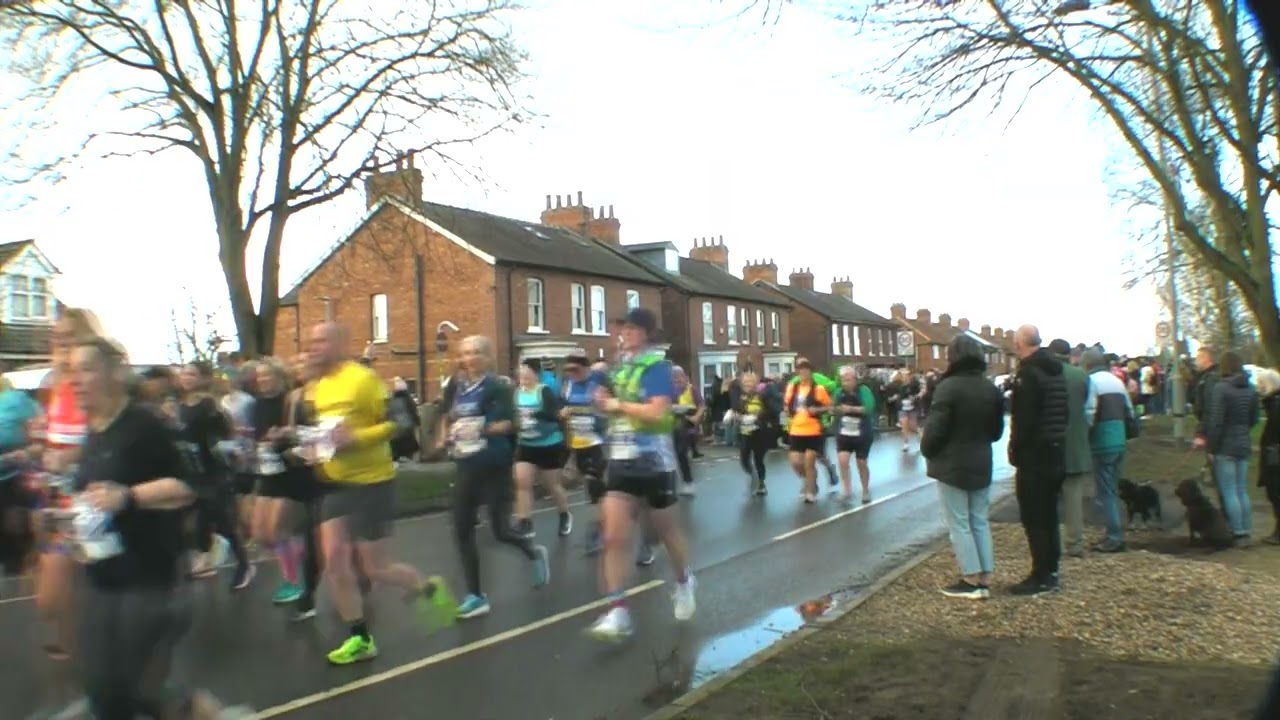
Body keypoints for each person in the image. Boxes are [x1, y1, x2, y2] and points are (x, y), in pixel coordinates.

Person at [71, 337, 247, 719]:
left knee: (135, 690)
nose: (76, 379)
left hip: (151, 580)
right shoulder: (93, 434)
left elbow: (190, 488)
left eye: (85, 368)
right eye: (72, 371)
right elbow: (90, 499)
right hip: (103, 579)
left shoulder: (147, 425)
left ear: (114, 373)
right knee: (107, 688)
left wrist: (128, 496)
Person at [306, 322, 451, 665]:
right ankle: (360, 638)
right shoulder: (319, 387)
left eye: (321, 341)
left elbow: (398, 423)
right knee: (335, 562)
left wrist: (357, 438)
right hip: (337, 484)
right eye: (310, 342)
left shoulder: (364, 380)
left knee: (375, 569)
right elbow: (329, 433)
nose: (313, 348)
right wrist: (314, 447)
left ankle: (426, 587)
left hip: (373, 482)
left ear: (341, 344)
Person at [587, 308, 695, 640]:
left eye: (633, 328)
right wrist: (602, 403)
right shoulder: (620, 368)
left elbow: (656, 411)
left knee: (666, 534)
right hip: (621, 460)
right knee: (613, 537)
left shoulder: (657, 366)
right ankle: (617, 611)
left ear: (646, 333)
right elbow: (613, 409)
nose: (626, 333)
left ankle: (684, 580)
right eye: (623, 328)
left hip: (654, 461)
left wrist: (617, 406)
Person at [445, 337, 550, 619]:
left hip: (495, 462)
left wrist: (480, 429)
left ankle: (532, 551)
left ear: (489, 357)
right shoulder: (457, 386)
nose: (470, 358)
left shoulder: (498, 387)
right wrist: (448, 435)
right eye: (465, 353)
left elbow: (510, 424)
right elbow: (449, 415)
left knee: (500, 530)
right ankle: (476, 595)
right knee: (461, 527)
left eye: (477, 352)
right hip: (467, 463)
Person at [921, 335, 1005, 600]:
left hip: (951, 462)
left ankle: (970, 579)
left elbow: (935, 430)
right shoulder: (990, 388)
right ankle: (985, 576)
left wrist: (928, 450)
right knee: (979, 519)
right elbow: (996, 431)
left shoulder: (947, 388)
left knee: (959, 522)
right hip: (981, 458)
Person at [1007, 325, 1068, 596]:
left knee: (1034, 517)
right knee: (1049, 514)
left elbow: (1024, 420)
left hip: (1035, 456)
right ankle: (1051, 569)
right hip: (1055, 449)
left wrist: (1015, 450)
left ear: (1021, 343)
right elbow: (1062, 412)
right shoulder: (1056, 371)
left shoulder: (1029, 374)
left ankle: (1040, 574)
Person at [1082, 348, 1136, 553]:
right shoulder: (1117, 381)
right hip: (1119, 439)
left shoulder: (1092, 382)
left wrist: (1084, 435)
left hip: (1102, 441)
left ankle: (1114, 536)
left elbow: (1089, 412)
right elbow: (1129, 411)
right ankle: (1115, 532)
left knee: (1106, 492)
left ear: (1087, 365)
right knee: (1113, 488)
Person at [1203, 351, 1260, 546]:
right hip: (1243, 442)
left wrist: (1211, 446)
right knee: (1242, 490)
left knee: (1229, 491)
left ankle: (1238, 532)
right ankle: (1247, 530)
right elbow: (1254, 419)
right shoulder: (1251, 389)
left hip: (1225, 445)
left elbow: (1216, 421)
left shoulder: (1221, 389)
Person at [1048, 338, 1091, 559]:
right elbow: (1086, 406)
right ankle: (1074, 544)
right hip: (1075, 443)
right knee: (1074, 497)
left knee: (1048, 498)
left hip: (1050, 445)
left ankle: (1050, 543)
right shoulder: (1081, 376)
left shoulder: (1045, 375)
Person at [783, 359, 831, 503]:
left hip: (813, 430)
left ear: (810, 372)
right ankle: (809, 481)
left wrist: (818, 409)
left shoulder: (819, 389)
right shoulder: (793, 387)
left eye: (805, 370)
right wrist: (787, 412)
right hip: (796, 429)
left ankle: (811, 491)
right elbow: (787, 404)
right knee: (796, 463)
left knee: (809, 462)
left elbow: (830, 407)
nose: (802, 373)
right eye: (800, 370)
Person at [832, 365, 877, 504]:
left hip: (862, 433)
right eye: (844, 380)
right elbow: (833, 407)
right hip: (844, 432)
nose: (847, 383)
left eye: (849, 380)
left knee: (861, 462)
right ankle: (846, 489)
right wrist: (835, 411)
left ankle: (865, 490)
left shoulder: (863, 390)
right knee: (843, 461)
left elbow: (869, 408)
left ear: (855, 380)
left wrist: (850, 408)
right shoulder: (839, 392)